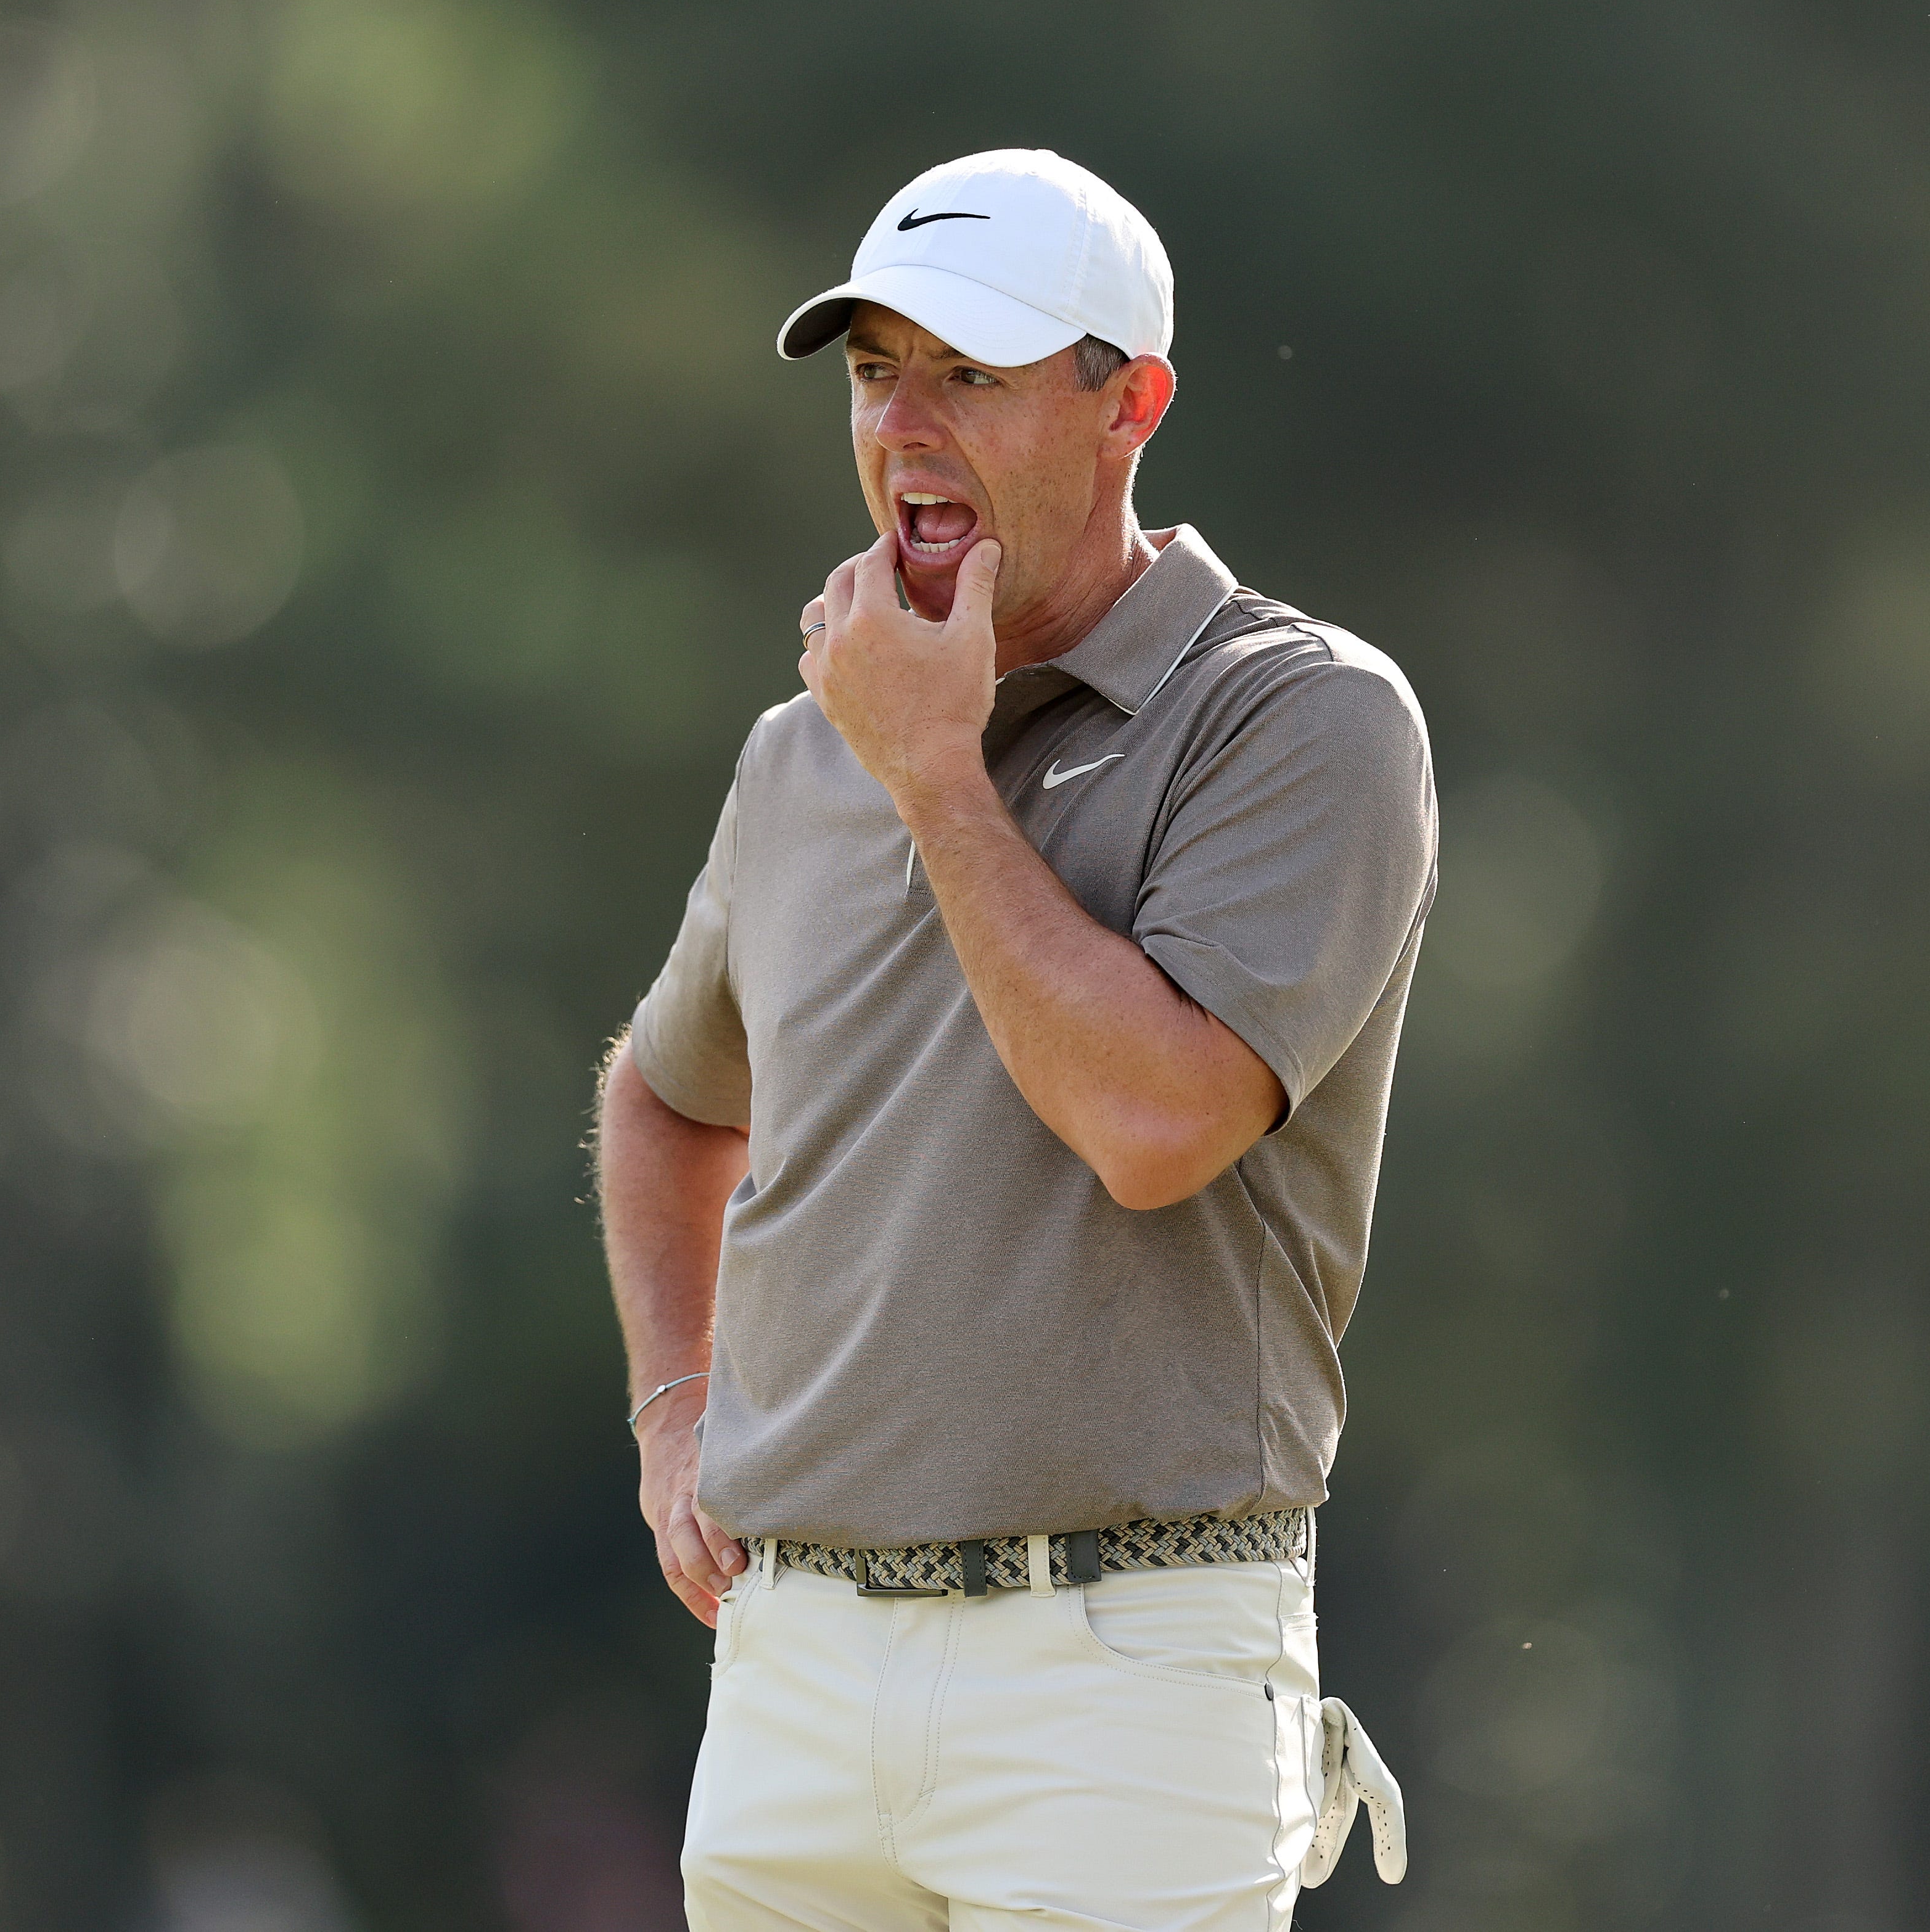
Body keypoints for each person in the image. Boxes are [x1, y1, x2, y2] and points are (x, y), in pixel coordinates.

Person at [596, 148, 1432, 1930]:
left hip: (1124, 1672)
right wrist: (675, 1412)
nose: (904, 426)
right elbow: (664, 1100)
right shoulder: (803, 749)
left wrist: (932, 772)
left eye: (969, 374)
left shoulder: (1296, 716)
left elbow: (1154, 1123)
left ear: (1129, 405)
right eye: (873, 371)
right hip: (794, 1677)